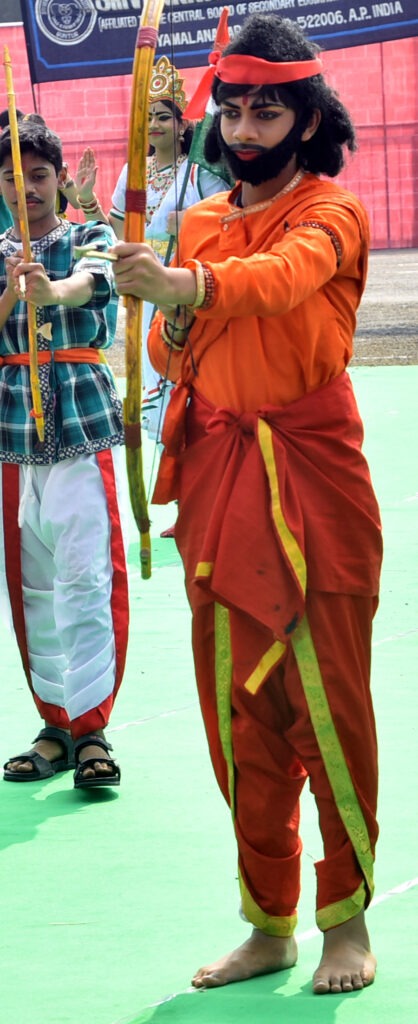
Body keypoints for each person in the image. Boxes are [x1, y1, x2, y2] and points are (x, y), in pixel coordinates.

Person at [111, 13, 383, 996]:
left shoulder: (331, 212)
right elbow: (169, 354)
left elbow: (279, 282)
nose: (243, 129)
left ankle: (345, 922)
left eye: (266, 111)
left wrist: (186, 284)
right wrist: (164, 303)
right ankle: (269, 924)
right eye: (231, 111)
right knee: (240, 716)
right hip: (221, 483)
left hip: (312, 490)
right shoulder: (199, 221)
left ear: (307, 119)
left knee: (328, 709)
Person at [0, 118, 129, 789]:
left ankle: (91, 728)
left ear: (57, 179)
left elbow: (94, 283)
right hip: (15, 439)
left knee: (86, 576)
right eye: (11, 178)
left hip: (81, 429)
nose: (26, 189)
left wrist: (50, 291)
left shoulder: (88, 236)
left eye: (39, 175)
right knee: (32, 585)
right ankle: (54, 726)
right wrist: (11, 291)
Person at [76, 57, 230, 452]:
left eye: (163, 116)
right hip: (145, 296)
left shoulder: (197, 172)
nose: (155, 125)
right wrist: (87, 200)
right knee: (155, 386)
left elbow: (230, 223)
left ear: (182, 125)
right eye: (148, 118)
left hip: (187, 289)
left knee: (193, 385)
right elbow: (115, 235)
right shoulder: (134, 171)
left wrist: (192, 223)